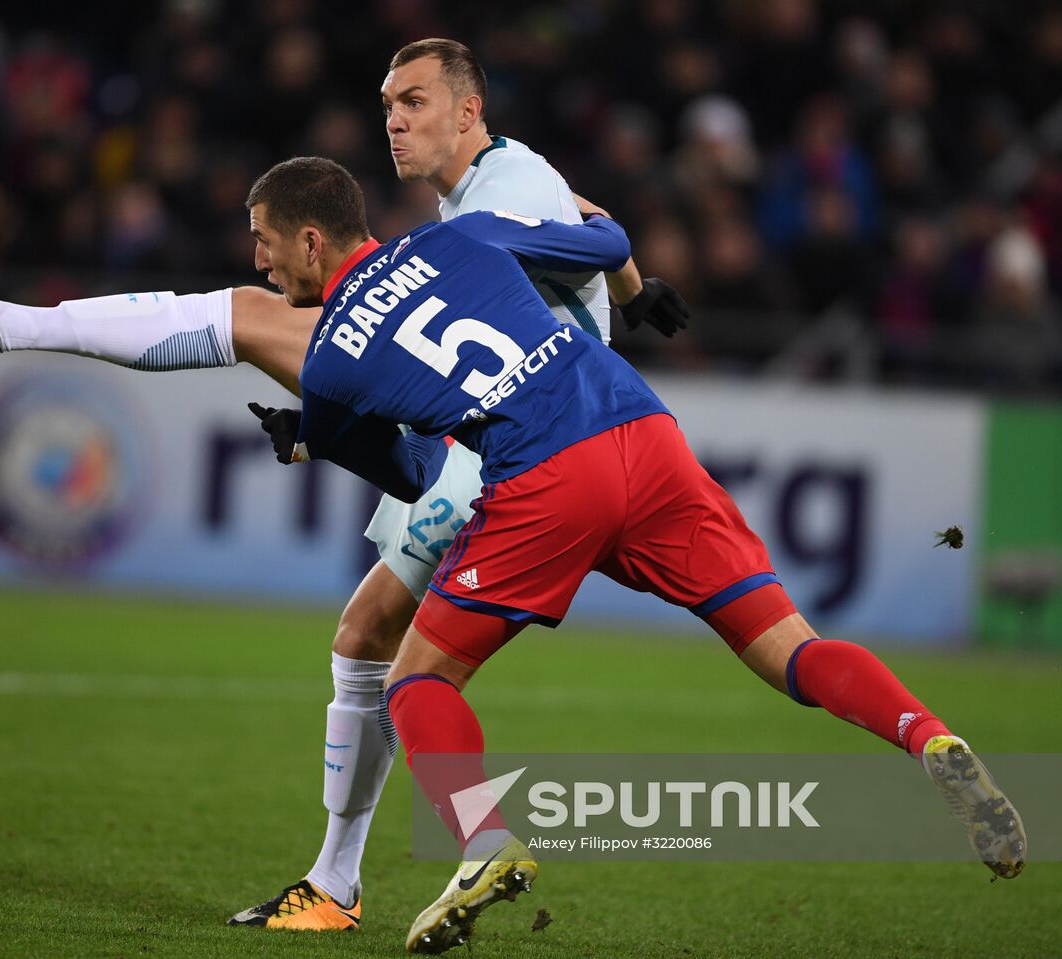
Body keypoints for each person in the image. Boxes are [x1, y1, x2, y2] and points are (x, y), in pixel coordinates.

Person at [0, 38, 691, 932]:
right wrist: (637, 292)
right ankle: (346, 877)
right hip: (526, 437)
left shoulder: (473, 219)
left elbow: (587, 231)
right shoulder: (503, 180)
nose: (393, 119)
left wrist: (615, 293)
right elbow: (598, 219)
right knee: (369, 629)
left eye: (412, 102)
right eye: (388, 102)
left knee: (256, 331)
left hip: (523, 449)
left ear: (468, 112)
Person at [239, 155, 1025, 955]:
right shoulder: (465, 236)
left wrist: (305, 441)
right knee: (794, 651)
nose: (258, 261)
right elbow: (607, 238)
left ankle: (484, 841)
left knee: (415, 680)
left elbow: (413, 473)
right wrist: (632, 285)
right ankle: (928, 735)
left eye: (265, 242)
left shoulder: (331, 358)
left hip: (546, 473)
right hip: (640, 429)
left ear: (310, 241)